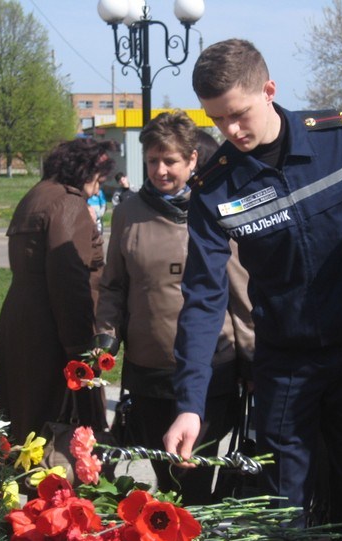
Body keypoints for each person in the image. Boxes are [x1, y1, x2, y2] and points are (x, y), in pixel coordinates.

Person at [163, 39, 342, 541]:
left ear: (269, 90)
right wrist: (190, 403)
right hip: (284, 362)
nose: (230, 130)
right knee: (282, 502)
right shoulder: (215, 187)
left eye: (238, 113)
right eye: (217, 119)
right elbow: (203, 298)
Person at [96, 110, 254, 505]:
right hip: (149, 368)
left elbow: (240, 291)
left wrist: (253, 359)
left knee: (196, 472)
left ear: (192, 161)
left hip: (211, 365)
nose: (160, 170)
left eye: (170, 161)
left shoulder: (217, 210)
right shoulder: (129, 212)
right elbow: (114, 284)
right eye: (152, 161)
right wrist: (106, 335)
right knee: (166, 474)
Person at [0, 138, 115, 444]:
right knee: (56, 434)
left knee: (23, 424)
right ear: (85, 172)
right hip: (52, 328)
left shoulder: (34, 195)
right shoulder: (67, 203)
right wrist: (80, 350)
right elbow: (69, 278)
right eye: (98, 178)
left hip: (21, 318)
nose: (98, 188)